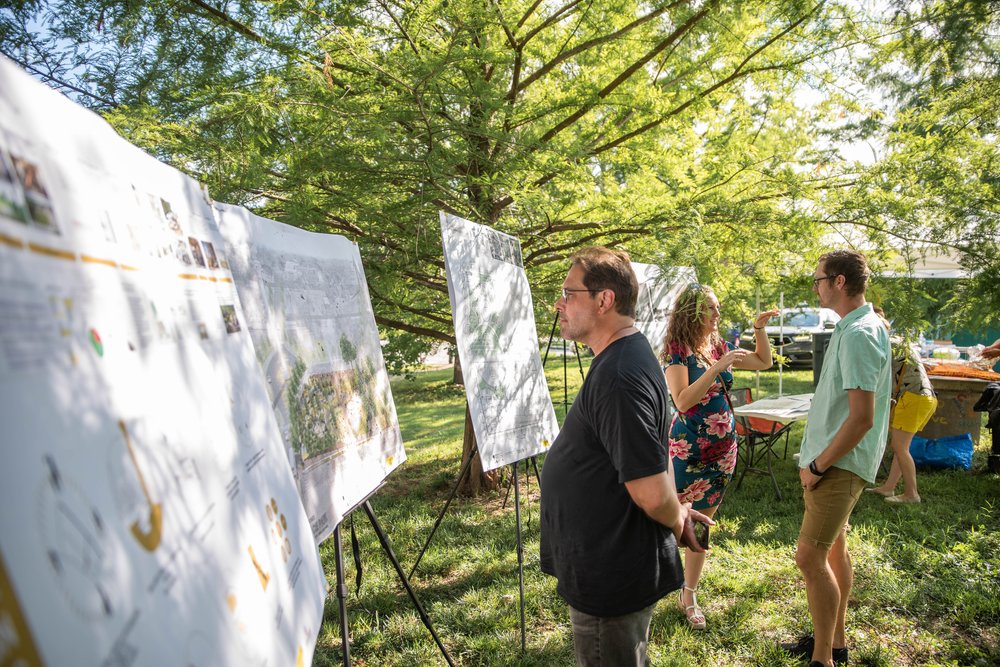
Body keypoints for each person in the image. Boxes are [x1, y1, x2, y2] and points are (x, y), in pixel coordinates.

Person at [540, 247, 710, 667]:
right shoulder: (626, 356)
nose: (558, 303)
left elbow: (651, 493)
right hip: (608, 562)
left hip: (610, 576)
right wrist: (681, 512)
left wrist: (677, 518)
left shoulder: (620, 375)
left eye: (568, 292)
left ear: (604, 300)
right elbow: (658, 454)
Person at [780, 250, 891, 667]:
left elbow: (862, 418)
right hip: (833, 460)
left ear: (839, 282)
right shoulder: (854, 327)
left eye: (819, 279)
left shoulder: (861, 332)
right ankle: (835, 642)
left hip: (838, 464)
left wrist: (818, 465)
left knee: (809, 557)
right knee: (832, 550)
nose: (816, 286)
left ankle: (823, 659)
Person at [662, 284, 778, 629]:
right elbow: (682, 400)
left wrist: (759, 330)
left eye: (717, 307)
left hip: (723, 450)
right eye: (710, 308)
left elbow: (764, 361)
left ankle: (689, 593)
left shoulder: (717, 345)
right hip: (688, 449)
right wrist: (716, 368)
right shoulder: (676, 351)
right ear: (692, 312)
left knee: (702, 522)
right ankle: (647, 584)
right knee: (668, 519)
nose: (717, 314)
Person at [867, 310, 937, 504]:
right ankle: (889, 488)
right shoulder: (896, 341)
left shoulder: (885, 344)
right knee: (900, 446)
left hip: (913, 398)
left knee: (899, 446)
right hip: (921, 398)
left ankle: (911, 494)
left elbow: (879, 378)